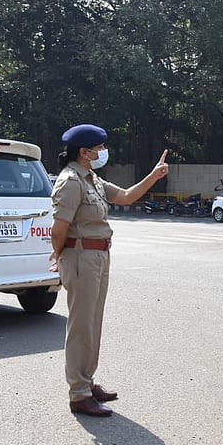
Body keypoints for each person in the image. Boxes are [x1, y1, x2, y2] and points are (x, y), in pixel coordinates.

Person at [50, 124, 169, 417]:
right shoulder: (70, 181)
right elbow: (59, 228)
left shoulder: (92, 179)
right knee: (80, 326)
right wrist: (59, 255)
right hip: (80, 256)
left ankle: (87, 382)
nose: (103, 152)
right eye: (99, 148)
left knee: (92, 323)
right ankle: (78, 393)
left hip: (98, 255)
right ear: (84, 151)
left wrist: (153, 176)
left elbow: (127, 196)